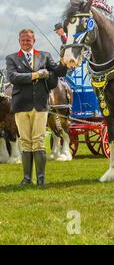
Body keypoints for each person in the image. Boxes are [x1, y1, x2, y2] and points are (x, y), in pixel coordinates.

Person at [6, 29, 67, 186]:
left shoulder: (45, 56)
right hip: (21, 106)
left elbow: (59, 71)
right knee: (26, 141)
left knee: (38, 141)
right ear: (19, 41)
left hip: (40, 105)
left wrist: (65, 60)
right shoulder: (12, 58)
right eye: (23, 40)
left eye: (29, 40)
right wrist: (37, 75)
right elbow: (13, 77)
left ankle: (41, 179)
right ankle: (27, 179)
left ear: (34, 41)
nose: (26, 43)